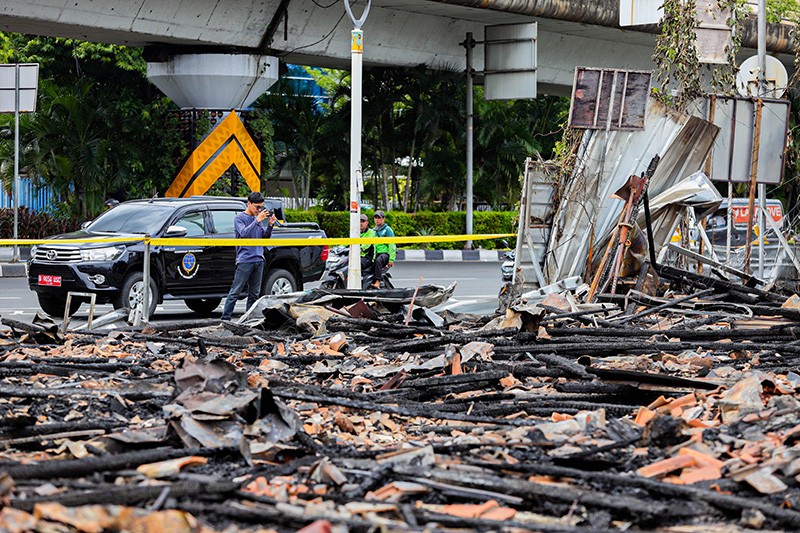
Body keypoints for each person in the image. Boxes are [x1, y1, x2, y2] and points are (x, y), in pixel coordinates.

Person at [220, 191, 277, 320]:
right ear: (249, 204)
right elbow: (244, 233)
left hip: (259, 259)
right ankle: (225, 318)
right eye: (257, 207)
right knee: (236, 291)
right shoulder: (239, 218)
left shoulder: (257, 219)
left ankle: (249, 319)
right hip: (245, 259)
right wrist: (257, 220)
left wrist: (270, 225)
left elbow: (265, 237)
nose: (259, 209)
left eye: (261, 207)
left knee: (254, 293)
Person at [372, 210, 396, 289]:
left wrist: (391, 259)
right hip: (375, 253)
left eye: (379, 218)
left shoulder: (388, 230)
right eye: (375, 218)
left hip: (385, 254)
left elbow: (392, 245)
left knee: (378, 260)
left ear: (383, 219)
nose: (377, 219)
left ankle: (377, 282)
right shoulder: (373, 231)